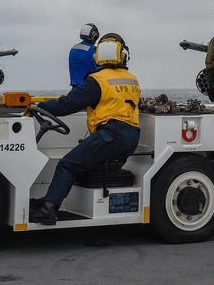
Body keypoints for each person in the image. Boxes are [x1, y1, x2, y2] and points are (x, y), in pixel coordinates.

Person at [30, 33, 141, 225]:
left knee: (68, 164)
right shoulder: (131, 79)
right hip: (131, 137)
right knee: (83, 164)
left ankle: (48, 210)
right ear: (123, 55)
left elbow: (68, 104)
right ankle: (50, 199)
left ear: (98, 56)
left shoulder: (98, 80)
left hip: (111, 134)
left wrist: (39, 108)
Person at [69, 23, 100, 87]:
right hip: (88, 87)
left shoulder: (73, 49)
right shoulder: (94, 51)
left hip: (75, 87)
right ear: (94, 36)